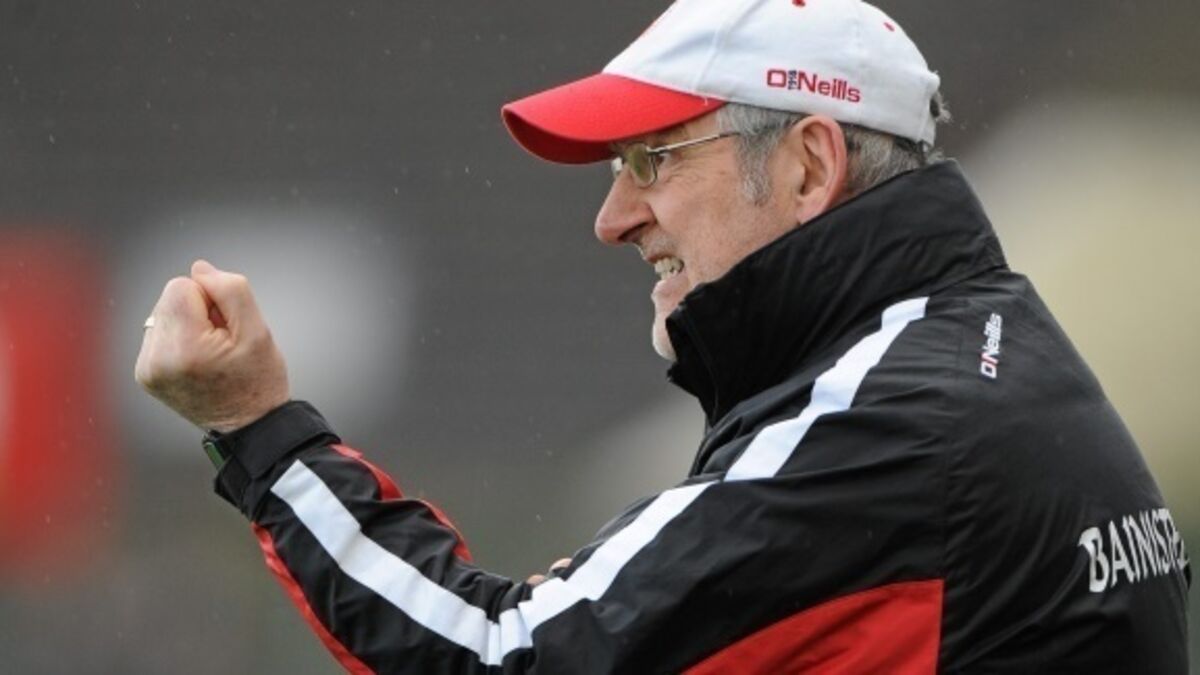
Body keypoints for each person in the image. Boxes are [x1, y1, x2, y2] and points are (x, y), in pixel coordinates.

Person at [135, 0, 1191, 672]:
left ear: (809, 166)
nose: (613, 218)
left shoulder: (887, 419)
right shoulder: (982, 352)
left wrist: (261, 429)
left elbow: (497, 655)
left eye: (652, 160)